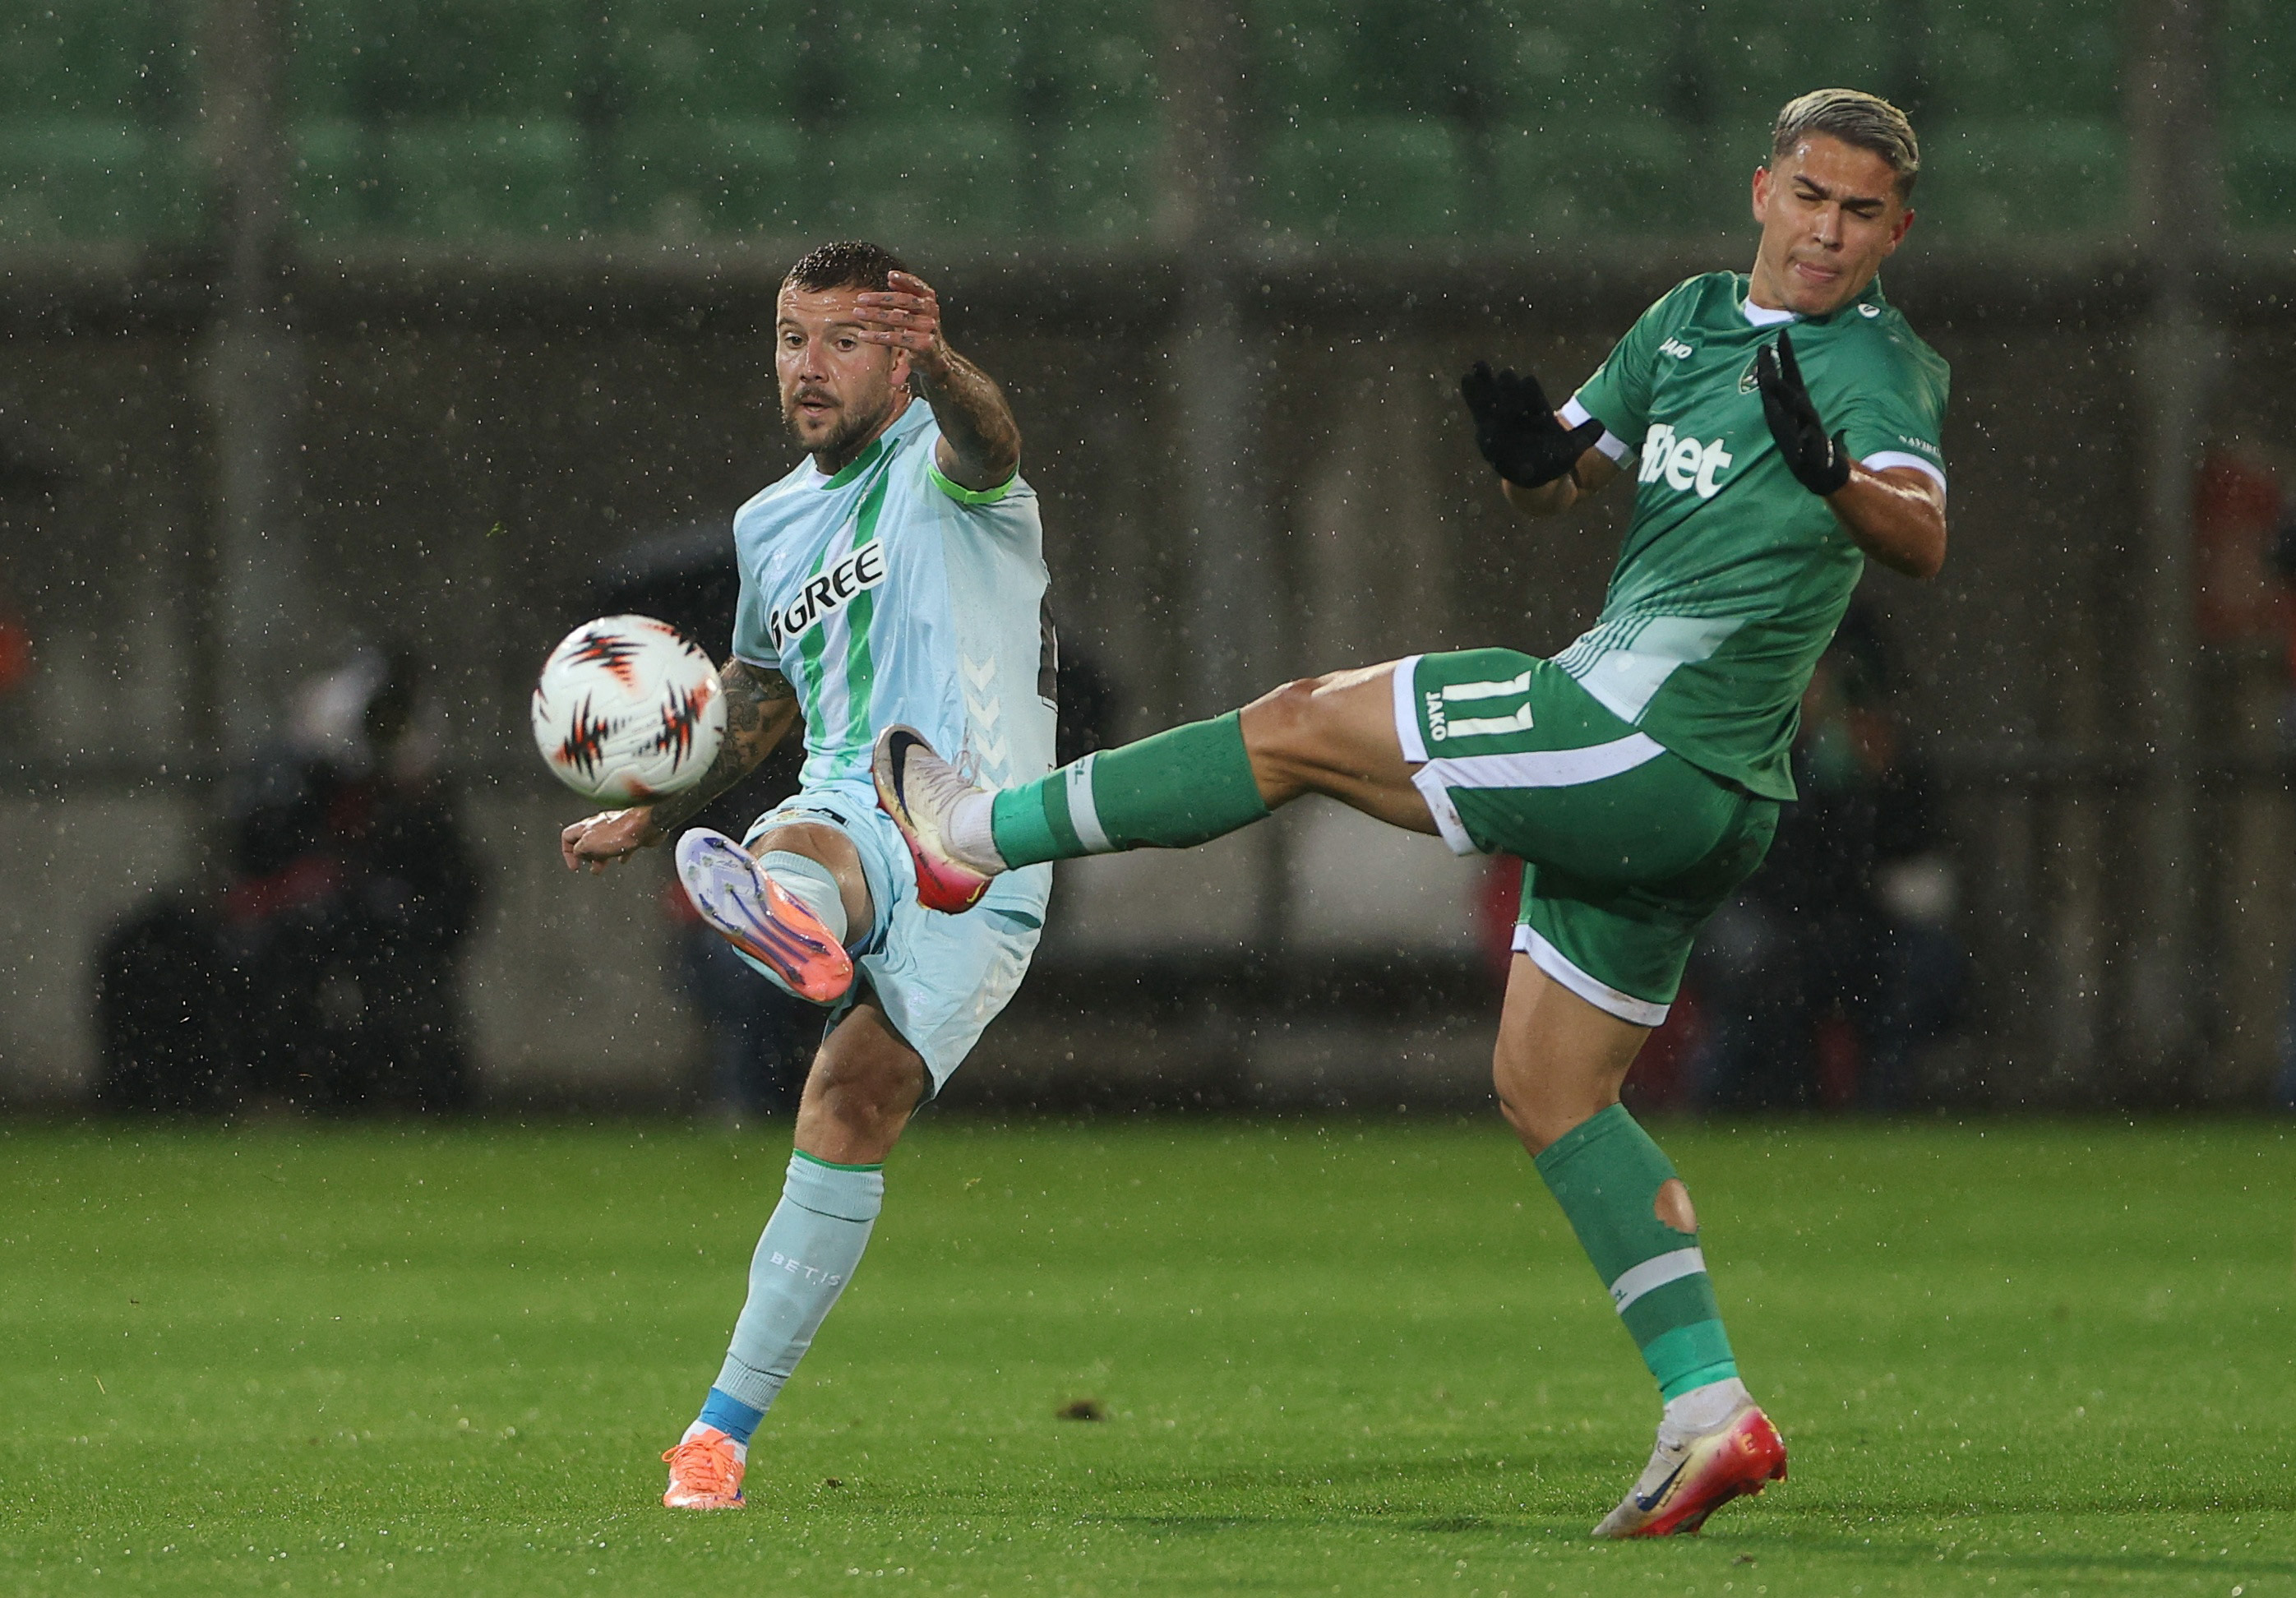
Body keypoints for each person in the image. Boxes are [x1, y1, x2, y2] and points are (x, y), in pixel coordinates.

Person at [875, 89, 1950, 1538]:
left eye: (1862, 212)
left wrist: (1834, 480)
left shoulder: (1874, 364)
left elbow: (1920, 531)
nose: (1828, 231)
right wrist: (1534, 464)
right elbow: (1567, 485)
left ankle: (970, 838)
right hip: (1691, 796)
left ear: (1896, 230)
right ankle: (1707, 1412)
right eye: (1810, 197)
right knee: (1552, 1092)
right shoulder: (1686, 319)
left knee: (1297, 723)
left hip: (1641, 742)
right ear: (1762, 191)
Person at [558, 241, 1057, 1510]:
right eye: (792, 339)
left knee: (856, 1100)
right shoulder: (768, 523)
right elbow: (761, 701)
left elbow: (993, 441)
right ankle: (714, 1443)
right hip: (846, 797)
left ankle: (781, 917)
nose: (809, 367)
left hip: (984, 827)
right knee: (805, 836)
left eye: (845, 340)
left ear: (899, 355)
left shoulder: (952, 472)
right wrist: (649, 801)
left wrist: (947, 365)